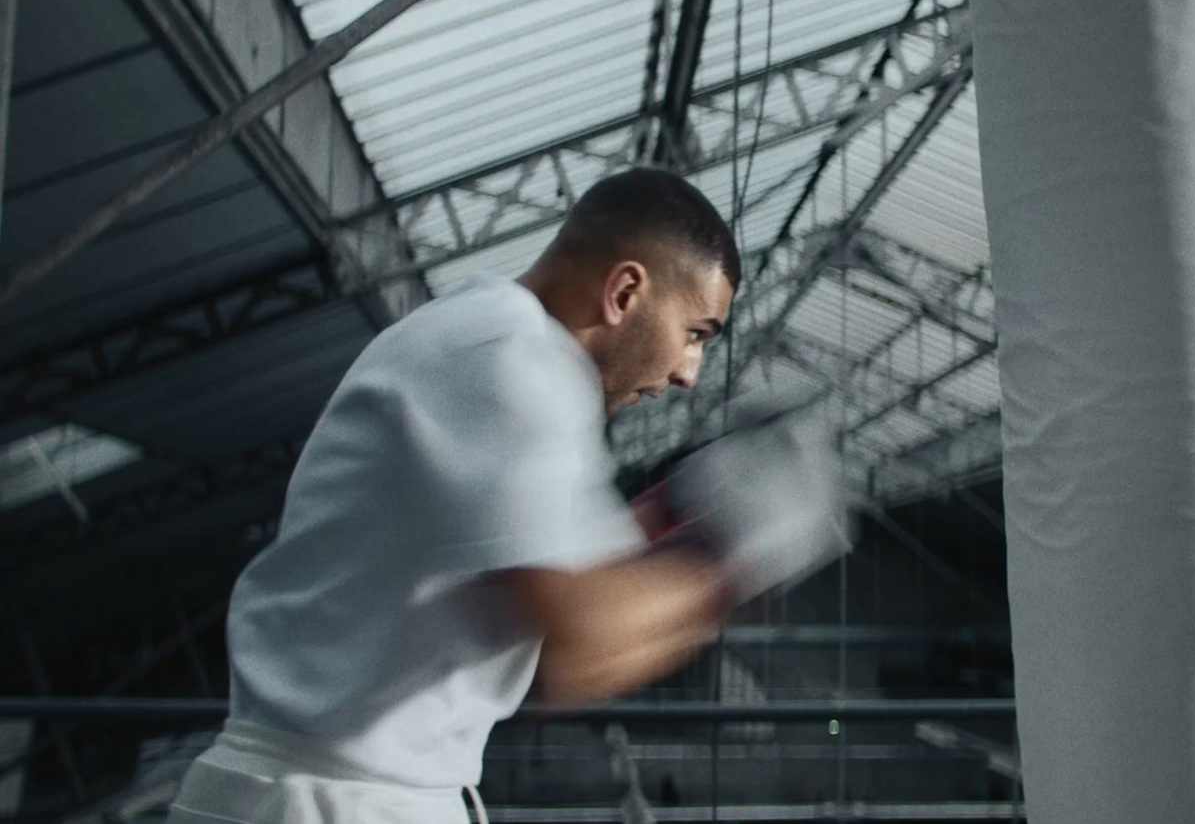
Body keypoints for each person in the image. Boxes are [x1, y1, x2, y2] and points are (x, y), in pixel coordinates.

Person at [167, 168, 756, 824]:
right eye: (696, 333)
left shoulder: (490, 341)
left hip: (340, 789)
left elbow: (588, 603)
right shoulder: (511, 360)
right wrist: (730, 552)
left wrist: (676, 538)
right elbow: (582, 642)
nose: (687, 372)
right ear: (624, 291)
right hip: (328, 799)